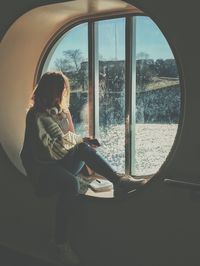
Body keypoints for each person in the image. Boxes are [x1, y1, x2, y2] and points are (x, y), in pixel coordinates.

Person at [20, 71, 145, 264]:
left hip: (57, 164)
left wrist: (83, 142)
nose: (62, 93)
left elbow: (70, 142)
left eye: (62, 89)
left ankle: (118, 181)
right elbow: (45, 151)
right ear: (50, 90)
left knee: (83, 148)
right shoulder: (34, 115)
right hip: (42, 172)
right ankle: (60, 244)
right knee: (71, 184)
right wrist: (75, 142)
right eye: (60, 89)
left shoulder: (62, 112)